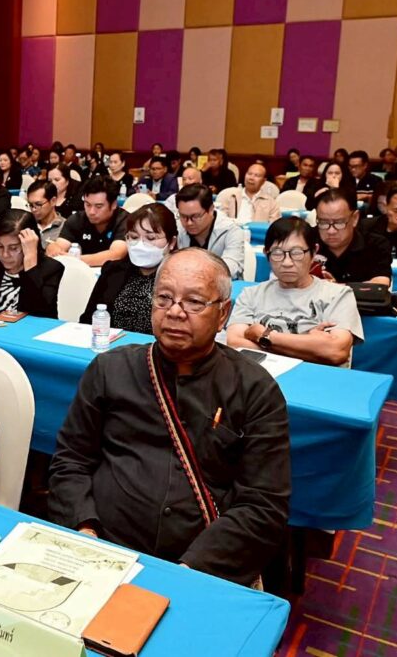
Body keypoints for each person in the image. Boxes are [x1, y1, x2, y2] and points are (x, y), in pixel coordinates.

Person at [48, 248, 290, 586]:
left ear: (223, 313)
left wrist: (191, 570)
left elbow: (263, 504)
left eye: (194, 302)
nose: (175, 312)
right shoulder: (110, 368)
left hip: (203, 565)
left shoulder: (255, 389)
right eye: (164, 298)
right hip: (104, 549)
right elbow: (71, 461)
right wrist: (84, 529)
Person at [228, 217, 362, 366]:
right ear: (266, 253)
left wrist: (264, 336)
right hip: (264, 376)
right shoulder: (251, 294)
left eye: (297, 253)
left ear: (314, 252)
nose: (287, 262)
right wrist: (312, 348)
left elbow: (336, 352)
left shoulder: (338, 295)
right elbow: (235, 345)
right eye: (277, 253)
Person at [79, 203, 178, 334]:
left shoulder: (180, 279)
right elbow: (88, 319)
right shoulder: (112, 270)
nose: (140, 245)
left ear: (171, 242)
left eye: (150, 238)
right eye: (134, 237)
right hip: (111, 344)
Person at [0, 210, 64, 318]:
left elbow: (39, 312)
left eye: (13, 248)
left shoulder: (51, 269)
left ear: (30, 243)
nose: (5, 255)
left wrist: (30, 261)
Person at [313, 188, 391, 285]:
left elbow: (381, 284)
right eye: (323, 222)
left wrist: (335, 288)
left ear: (355, 218)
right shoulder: (307, 240)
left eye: (339, 222)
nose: (331, 231)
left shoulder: (375, 244)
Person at [47, 176, 129, 267]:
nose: (91, 212)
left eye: (98, 206)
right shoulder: (76, 219)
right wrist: (54, 249)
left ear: (114, 204)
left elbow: (116, 255)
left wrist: (73, 259)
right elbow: (59, 246)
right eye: (88, 205)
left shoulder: (126, 220)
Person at [174, 184, 244, 278]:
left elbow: (232, 267)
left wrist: (197, 274)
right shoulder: (177, 227)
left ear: (211, 210)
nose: (189, 223)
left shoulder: (231, 230)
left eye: (195, 216)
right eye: (183, 216)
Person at [25, 180, 64, 247]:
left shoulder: (65, 228)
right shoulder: (26, 226)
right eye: (31, 205)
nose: (33, 209)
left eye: (38, 204)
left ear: (53, 201)